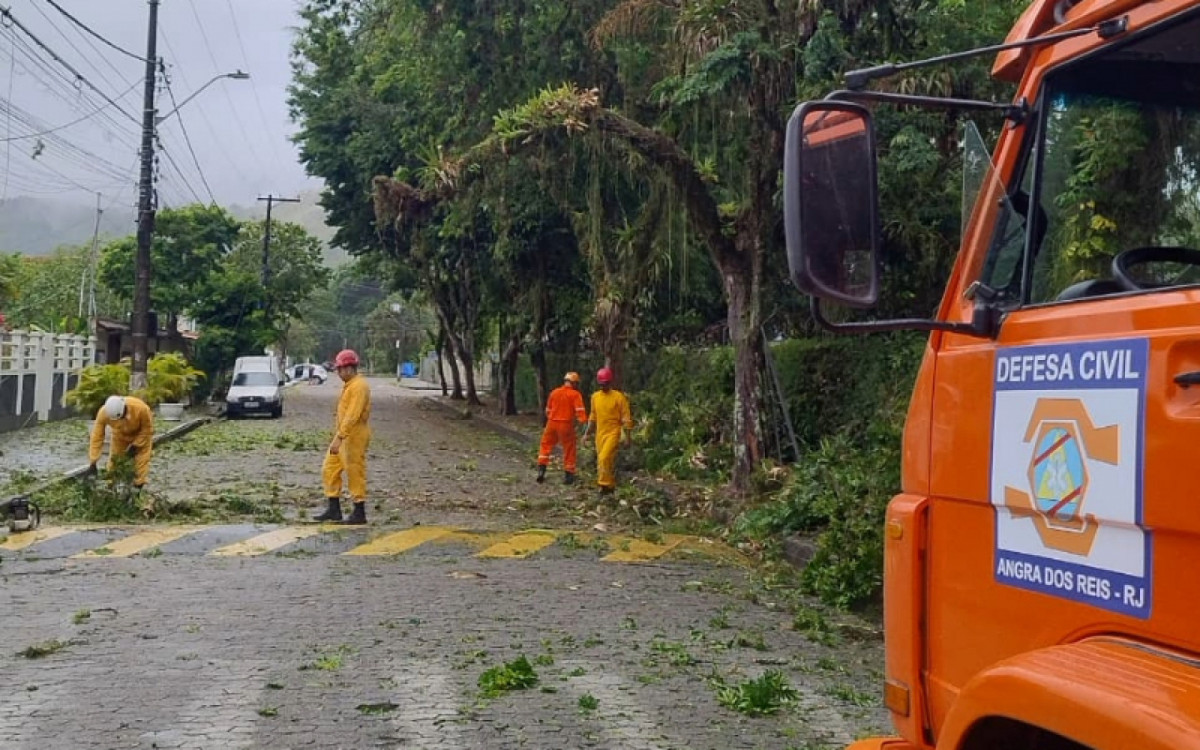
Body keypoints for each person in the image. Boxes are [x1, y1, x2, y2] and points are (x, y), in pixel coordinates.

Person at [313, 349, 372, 524]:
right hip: (344, 436)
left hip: (354, 436)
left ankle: (359, 511)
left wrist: (340, 437)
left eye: (339, 369)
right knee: (329, 469)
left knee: (354, 471)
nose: (338, 373)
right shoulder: (350, 385)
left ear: (348, 368)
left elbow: (352, 415)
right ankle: (333, 508)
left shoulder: (359, 386)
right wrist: (338, 437)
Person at [582, 367, 633, 495]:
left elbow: (626, 417)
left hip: (613, 432)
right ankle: (610, 486)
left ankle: (604, 486)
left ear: (610, 382)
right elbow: (593, 417)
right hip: (600, 433)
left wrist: (627, 437)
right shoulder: (595, 397)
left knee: (604, 458)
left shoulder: (618, 397)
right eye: (601, 383)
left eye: (606, 383)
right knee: (603, 460)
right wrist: (587, 434)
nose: (603, 385)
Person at [86, 395, 154, 489]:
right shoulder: (103, 413)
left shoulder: (141, 409)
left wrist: (135, 445)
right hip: (120, 437)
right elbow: (97, 436)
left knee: (141, 464)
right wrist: (93, 462)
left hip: (141, 436)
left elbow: (147, 430)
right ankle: (110, 488)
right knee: (114, 463)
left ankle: (138, 489)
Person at [536, 371, 587, 484]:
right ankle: (568, 476)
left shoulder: (554, 392)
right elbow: (580, 413)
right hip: (566, 424)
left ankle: (541, 471)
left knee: (545, 446)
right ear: (574, 383)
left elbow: (548, 410)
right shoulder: (575, 395)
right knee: (569, 449)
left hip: (551, 423)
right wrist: (583, 425)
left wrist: (552, 418)